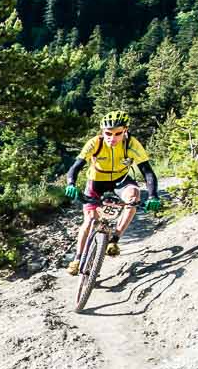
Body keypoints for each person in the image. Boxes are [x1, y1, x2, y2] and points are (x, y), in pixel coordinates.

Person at [63, 110, 162, 264]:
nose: (112, 138)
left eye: (118, 133)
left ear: (125, 131)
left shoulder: (132, 144)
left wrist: (152, 196)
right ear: (103, 131)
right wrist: (71, 184)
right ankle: (77, 259)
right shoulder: (95, 143)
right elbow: (76, 167)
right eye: (108, 133)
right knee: (89, 221)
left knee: (134, 197)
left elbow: (147, 172)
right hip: (96, 181)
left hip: (120, 180)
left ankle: (114, 239)